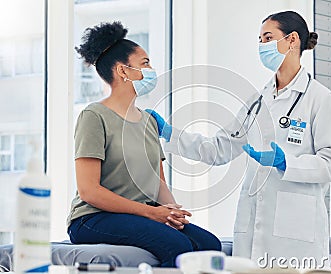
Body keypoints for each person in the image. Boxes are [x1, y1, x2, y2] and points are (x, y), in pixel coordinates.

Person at [147, 11, 331, 264]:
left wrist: (287, 163)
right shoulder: (258, 102)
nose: (261, 46)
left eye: (268, 37)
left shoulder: (320, 98)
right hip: (252, 228)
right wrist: (170, 133)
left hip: (296, 232)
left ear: (292, 40)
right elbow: (218, 149)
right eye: (260, 40)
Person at [67, 21, 221, 268]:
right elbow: (89, 191)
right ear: (123, 71)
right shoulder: (94, 116)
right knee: (178, 247)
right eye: (145, 63)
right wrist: (151, 213)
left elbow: (158, 183)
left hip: (140, 214)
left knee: (210, 246)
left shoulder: (149, 120)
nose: (151, 70)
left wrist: (171, 211)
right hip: (93, 218)